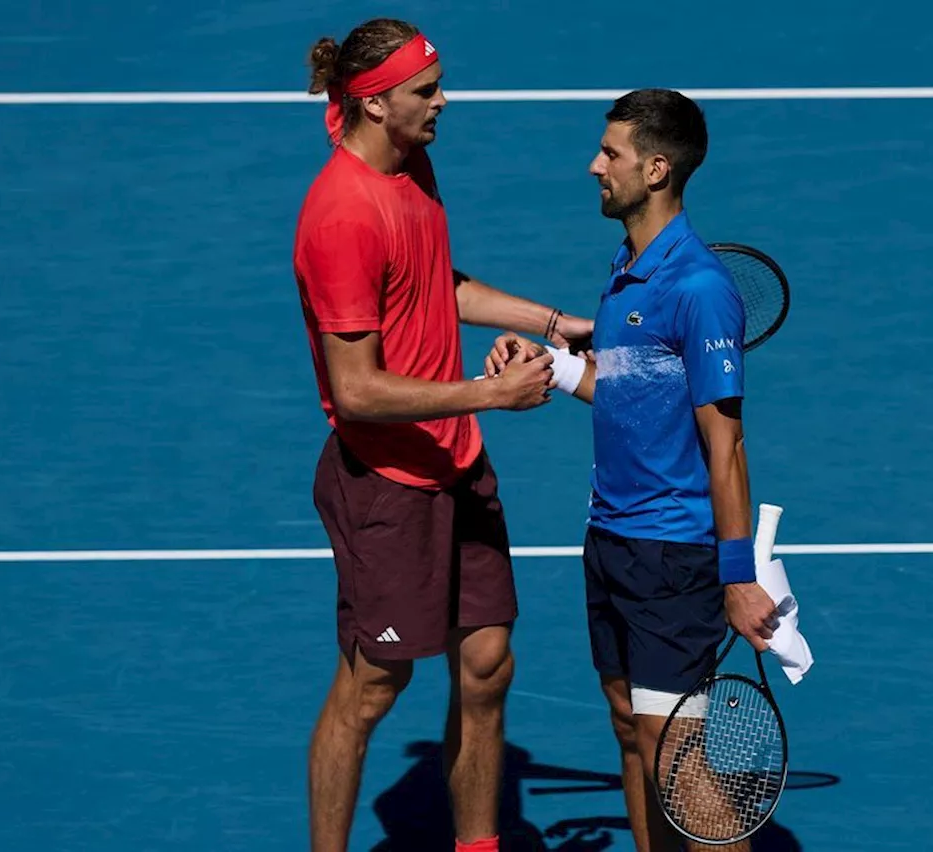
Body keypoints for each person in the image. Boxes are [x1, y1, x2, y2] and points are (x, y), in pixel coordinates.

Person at [291, 17, 594, 852]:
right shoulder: (341, 218)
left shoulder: (408, 161)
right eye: (427, 91)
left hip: (455, 462)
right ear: (377, 103)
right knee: (372, 688)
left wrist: (556, 321)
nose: (443, 101)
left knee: (488, 665)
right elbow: (354, 390)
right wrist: (488, 395)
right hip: (387, 483)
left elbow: (436, 283)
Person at [483, 88, 779, 851]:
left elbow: (728, 447)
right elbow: (619, 387)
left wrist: (739, 575)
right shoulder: (627, 269)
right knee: (630, 729)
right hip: (610, 540)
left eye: (609, 152)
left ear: (655, 169)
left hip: (672, 556)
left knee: (677, 758)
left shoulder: (700, 289)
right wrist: (547, 361)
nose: (594, 166)